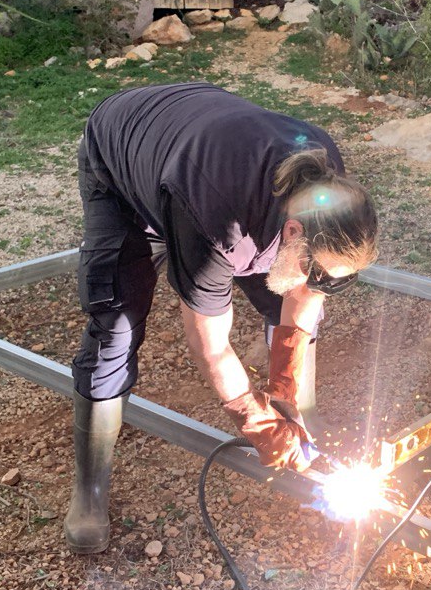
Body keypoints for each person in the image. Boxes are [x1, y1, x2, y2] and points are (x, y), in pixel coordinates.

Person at [65, 81, 379, 554]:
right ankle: (89, 491)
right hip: (122, 151)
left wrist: (286, 390)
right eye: (319, 272)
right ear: (293, 231)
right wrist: (254, 419)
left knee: (282, 295)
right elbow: (209, 346)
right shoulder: (218, 224)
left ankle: (302, 422)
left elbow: (304, 297)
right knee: (117, 323)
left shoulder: (326, 185)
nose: (322, 285)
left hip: (193, 140)